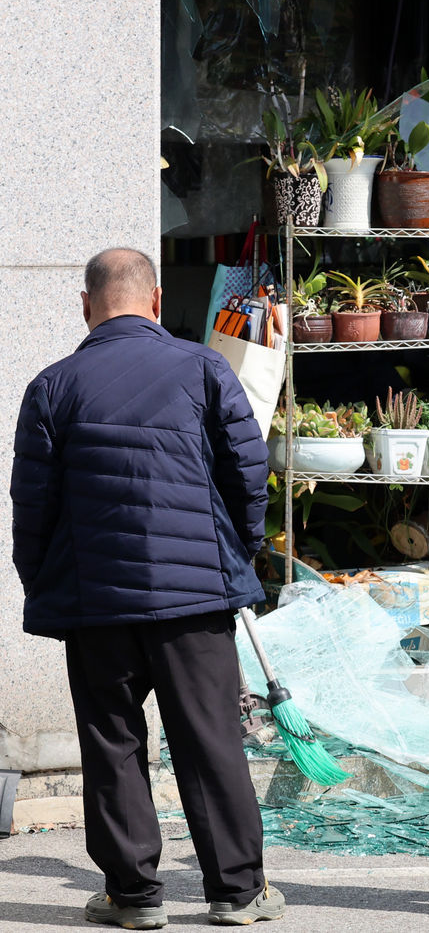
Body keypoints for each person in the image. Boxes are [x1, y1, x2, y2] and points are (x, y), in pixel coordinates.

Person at [10, 248, 285, 929]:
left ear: (85, 305)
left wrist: (43, 580)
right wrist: (232, 555)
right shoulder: (202, 368)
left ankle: (132, 896)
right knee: (210, 737)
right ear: (157, 303)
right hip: (194, 599)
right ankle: (237, 892)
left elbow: (31, 505)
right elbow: (248, 474)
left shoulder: (52, 386)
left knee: (112, 742)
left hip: (96, 600)